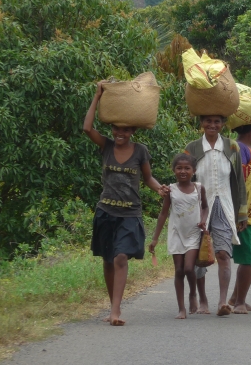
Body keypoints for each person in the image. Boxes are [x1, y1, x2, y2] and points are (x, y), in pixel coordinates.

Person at [83, 80, 169, 326]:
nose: (120, 134)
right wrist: (97, 96)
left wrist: (159, 189)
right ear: (112, 129)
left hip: (130, 213)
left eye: (126, 130)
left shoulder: (140, 151)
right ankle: (113, 307)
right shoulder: (106, 146)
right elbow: (87, 128)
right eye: (116, 129)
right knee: (108, 260)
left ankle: (116, 310)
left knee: (121, 257)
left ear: (133, 131)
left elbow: (148, 177)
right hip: (105, 211)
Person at [184, 115, 248, 316]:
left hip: (224, 205)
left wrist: (241, 213)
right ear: (201, 123)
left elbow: (239, 182)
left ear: (223, 124)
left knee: (223, 253)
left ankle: (222, 302)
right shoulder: (192, 148)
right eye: (208, 121)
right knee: (198, 255)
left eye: (217, 122)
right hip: (198, 207)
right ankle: (202, 299)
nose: (212, 125)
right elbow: (186, 178)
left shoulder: (231, 147)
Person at [148, 153, 209, 319]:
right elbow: (163, 214)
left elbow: (205, 207)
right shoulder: (170, 190)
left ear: (194, 170)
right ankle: (181, 308)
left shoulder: (199, 188)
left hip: (194, 234)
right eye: (179, 168)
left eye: (187, 168)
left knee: (189, 268)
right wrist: (154, 239)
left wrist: (203, 221)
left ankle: (193, 294)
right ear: (174, 170)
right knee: (179, 270)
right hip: (176, 234)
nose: (183, 171)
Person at [228, 122, 251, 314]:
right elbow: (239, 179)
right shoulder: (240, 149)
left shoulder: (246, 148)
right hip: (245, 213)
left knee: (250, 257)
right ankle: (239, 301)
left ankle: (236, 297)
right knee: (250, 258)